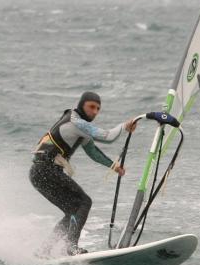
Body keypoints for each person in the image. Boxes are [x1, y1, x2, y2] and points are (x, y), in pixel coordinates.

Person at [30, 91, 137, 255]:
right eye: (91, 107)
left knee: (73, 210)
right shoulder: (76, 122)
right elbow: (108, 137)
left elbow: (93, 152)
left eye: (98, 109)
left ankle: (44, 250)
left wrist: (113, 166)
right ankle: (71, 247)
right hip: (46, 170)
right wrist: (125, 125)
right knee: (84, 202)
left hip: (39, 173)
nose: (94, 112)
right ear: (81, 105)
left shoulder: (79, 127)